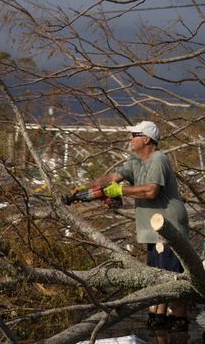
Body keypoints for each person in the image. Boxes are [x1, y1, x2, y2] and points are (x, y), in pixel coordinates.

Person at [74, 120, 191, 331]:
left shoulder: (158, 159)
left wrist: (120, 191)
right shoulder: (136, 162)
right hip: (153, 230)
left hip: (168, 229)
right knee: (159, 276)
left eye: (134, 135)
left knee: (169, 280)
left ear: (146, 139)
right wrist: (85, 188)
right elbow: (111, 177)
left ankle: (168, 329)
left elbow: (151, 191)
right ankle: (162, 328)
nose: (130, 139)